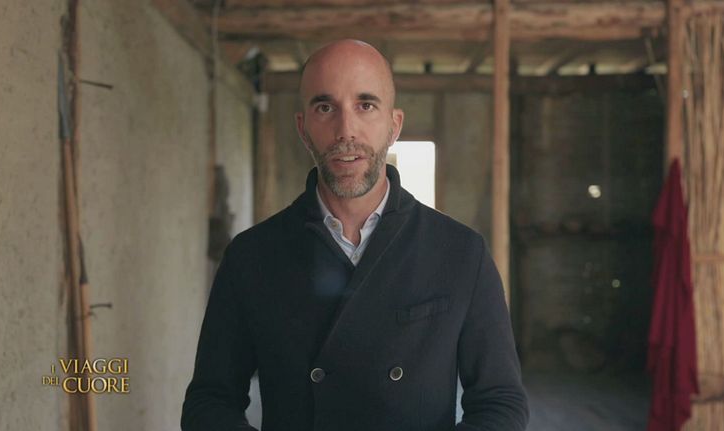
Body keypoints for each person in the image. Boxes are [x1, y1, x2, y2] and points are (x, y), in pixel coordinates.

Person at [181, 39, 528, 431]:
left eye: (366, 105)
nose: (345, 130)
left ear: (394, 125)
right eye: (325, 107)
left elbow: (501, 403)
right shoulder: (251, 256)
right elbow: (209, 402)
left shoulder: (461, 252)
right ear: (303, 128)